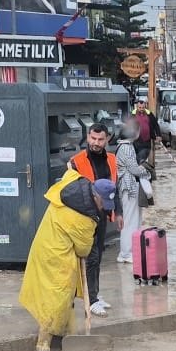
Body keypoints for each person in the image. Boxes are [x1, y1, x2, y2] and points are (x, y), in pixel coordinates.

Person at [20, 174, 115, 351]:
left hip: (43, 245)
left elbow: (69, 171)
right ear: (95, 196)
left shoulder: (72, 186)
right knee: (56, 298)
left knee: (63, 297)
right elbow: (84, 249)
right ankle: (43, 344)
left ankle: (65, 333)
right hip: (56, 257)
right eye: (103, 203)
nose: (104, 208)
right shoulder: (83, 220)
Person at [69, 123, 119, 316]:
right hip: (84, 218)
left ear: (107, 139)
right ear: (88, 137)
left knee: (97, 259)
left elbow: (115, 188)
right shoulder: (76, 161)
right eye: (93, 138)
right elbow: (71, 191)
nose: (96, 143)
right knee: (90, 259)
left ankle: (94, 295)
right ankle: (90, 299)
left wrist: (118, 213)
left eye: (100, 139)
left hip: (101, 216)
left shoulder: (112, 160)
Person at [114, 116, 151, 265]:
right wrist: (147, 170)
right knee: (130, 222)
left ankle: (130, 251)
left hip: (129, 188)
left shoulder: (123, 146)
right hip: (129, 189)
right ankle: (126, 253)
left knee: (134, 221)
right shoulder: (127, 147)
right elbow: (134, 169)